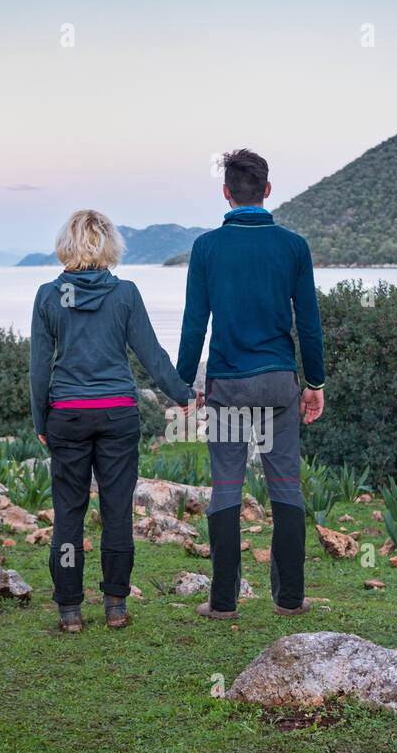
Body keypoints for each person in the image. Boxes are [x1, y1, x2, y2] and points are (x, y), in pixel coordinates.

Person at [29, 209, 197, 632]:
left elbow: (38, 368)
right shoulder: (124, 294)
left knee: (68, 513)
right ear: (110, 246)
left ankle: (69, 610)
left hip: (66, 415)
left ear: (66, 244)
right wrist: (182, 394)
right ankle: (116, 605)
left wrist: (40, 420)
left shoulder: (49, 295)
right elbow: (151, 352)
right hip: (118, 413)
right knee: (117, 510)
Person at [176, 148, 325, 619]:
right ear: (266, 190)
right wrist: (315, 382)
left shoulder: (206, 248)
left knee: (226, 491)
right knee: (285, 488)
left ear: (226, 193)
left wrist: (184, 384)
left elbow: (194, 323)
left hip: (229, 388)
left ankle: (223, 602)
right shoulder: (293, 246)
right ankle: (289, 599)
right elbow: (310, 324)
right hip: (280, 384)